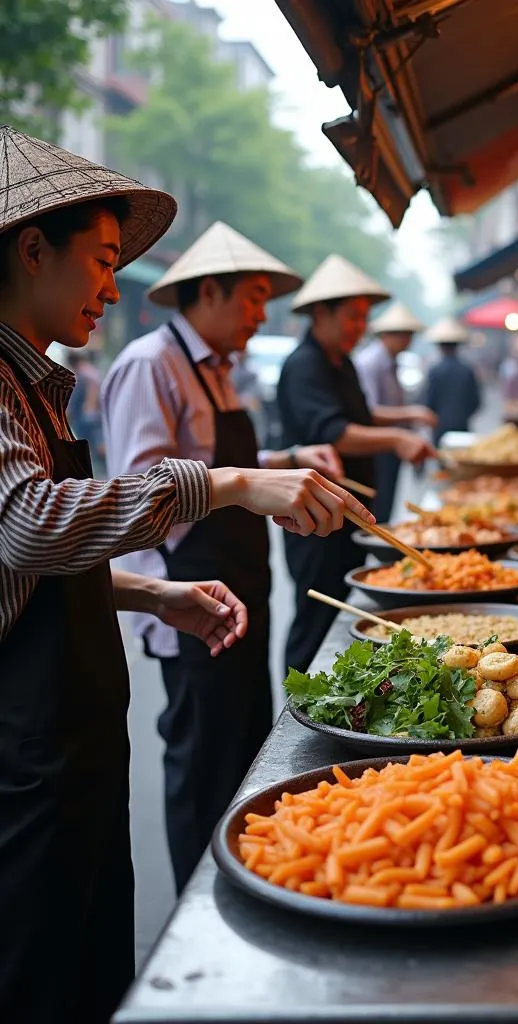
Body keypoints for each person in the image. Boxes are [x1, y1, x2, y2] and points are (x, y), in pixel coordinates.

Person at [0, 126, 372, 1024]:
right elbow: (27, 525)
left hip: (82, 735)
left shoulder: (39, 382)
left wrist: (154, 590)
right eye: (97, 259)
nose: (109, 285)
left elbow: (37, 556)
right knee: (34, 974)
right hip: (25, 751)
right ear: (31, 248)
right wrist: (236, 483)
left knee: (94, 959)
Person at [101, 221, 351, 894]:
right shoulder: (151, 365)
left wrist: (288, 461)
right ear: (208, 292)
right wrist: (246, 482)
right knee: (201, 768)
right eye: (253, 298)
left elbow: (228, 466)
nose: (261, 316)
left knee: (245, 758)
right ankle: (197, 902)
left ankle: (250, 879)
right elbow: (141, 491)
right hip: (188, 598)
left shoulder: (219, 369)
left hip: (245, 583)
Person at [277, 255, 435, 674]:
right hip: (312, 514)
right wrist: (399, 438)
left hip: (344, 510)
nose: (359, 328)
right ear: (321, 313)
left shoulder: (340, 362)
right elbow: (337, 432)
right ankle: (296, 704)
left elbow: (362, 417)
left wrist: (407, 417)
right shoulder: (304, 365)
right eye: (351, 317)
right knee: (315, 611)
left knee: (341, 605)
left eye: (365, 318)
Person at [353, 301, 437, 519]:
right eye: (405, 335)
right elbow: (370, 411)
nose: (409, 341)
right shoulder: (370, 362)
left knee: (388, 502)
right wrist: (412, 413)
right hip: (377, 445)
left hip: (390, 447)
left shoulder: (390, 361)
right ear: (389, 335)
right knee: (377, 507)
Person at [422, 315, 481, 445]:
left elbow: (428, 401)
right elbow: (476, 401)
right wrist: (463, 415)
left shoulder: (435, 371)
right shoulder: (467, 370)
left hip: (440, 427)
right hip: (462, 424)